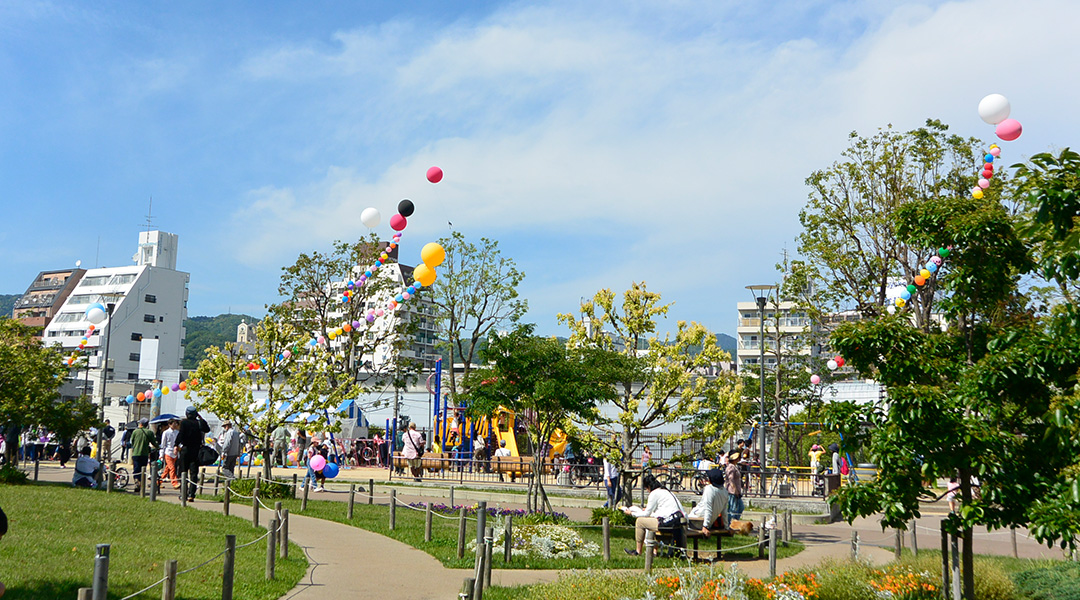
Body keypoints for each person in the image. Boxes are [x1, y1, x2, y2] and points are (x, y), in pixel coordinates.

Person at [621, 474, 686, 556]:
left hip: (667, 523)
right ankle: (654, 551)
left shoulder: (654, 493)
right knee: (651, 522)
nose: (647, 491)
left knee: (640, 522)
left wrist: (631, 513)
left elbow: (646, 514)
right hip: (676, 520)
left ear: (648, 486)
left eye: (646, 488)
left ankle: (638, 551)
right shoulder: (665, 491)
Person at [177, 406, 210, 502]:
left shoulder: (184, 423)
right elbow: (207, 429)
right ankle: (192, 494)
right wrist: (201, 418)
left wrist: (176, 445)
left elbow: (181, 435)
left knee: (183, 472)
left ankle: (183, 493)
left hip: (186, 449)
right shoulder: (199, 423)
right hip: (196, 450)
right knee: (194, 473)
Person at [688, 468, 729, 536]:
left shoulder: (709, 489)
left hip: (697, 521)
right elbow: (724, 511)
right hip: (708, 522)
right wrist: (726, 527)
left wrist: (705, 526)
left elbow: (708, 508)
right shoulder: (724, 491)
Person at [129, 418, 157, 490]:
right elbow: (153, 442)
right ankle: (141, 483)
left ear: (141, 424)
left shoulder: (135, 432)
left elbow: (131, 442)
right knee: (143, 469)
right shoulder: (149, 432)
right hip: (144, 454)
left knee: (136, 469)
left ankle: (136, 481)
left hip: (135, 453)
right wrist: (159, 447)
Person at [159, 419, 180, 489]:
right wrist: (161, 455)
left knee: (167, 469)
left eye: (176, 424)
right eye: (173, 424)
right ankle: (175, 483)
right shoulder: (166, 433)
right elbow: (163, 444)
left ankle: (158, 482)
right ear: (169, 424)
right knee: (172, 468)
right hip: (168, 452)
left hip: (175, 453)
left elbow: (179, 443)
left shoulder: (177, 432)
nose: (175, 425)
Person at [724, 451, 744, 521]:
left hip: (737, 491)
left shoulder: (735, 467)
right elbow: (731, 479)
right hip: (732, 491)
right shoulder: (731, 467)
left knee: (740, 507)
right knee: (732, 509)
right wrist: (734, 489)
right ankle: (730, 523)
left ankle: (735, 521)